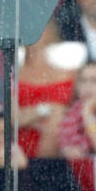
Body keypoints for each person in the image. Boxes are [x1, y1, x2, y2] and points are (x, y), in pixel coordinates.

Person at [17, 19, 75, 158]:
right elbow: (13, 118)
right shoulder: (16, 73)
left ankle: (44, 163)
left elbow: (72, 111)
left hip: (62, 144)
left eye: (40, 29)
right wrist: (45, 110)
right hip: (22, 142)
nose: (35, 35)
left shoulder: (70, 71)